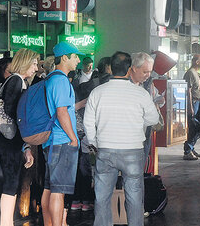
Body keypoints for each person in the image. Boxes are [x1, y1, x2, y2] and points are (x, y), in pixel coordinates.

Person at [84, 51, 160, 226]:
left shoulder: (98, 92)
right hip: (133, 150)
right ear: (129, 70)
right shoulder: (140, 94)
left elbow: (89, 121)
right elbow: (153, 119)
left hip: (105, 150)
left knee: (102, 197)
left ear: (111, 69)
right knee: (134, 197)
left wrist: (94, 142)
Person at [0, 48, 38, 226]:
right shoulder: (17, 81)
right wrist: (26, 144)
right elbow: (12, 112)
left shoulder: (15, 81)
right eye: (34, 63)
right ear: (26, 62)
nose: (36, 68)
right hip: (9, 141)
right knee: (10, 184)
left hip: (8, 141)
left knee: (11, 184)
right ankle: (6, 223)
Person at [41, 42, 82, 226]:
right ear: (64, 58)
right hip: (62, 141)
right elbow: (62, 111)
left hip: (51, 141)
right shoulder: (61, 80)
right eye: (75, 56)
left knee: (49, 189)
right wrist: (73, 138)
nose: (78, 60)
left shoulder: (51, 78)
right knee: (58, 190)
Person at [69, 57, 112, 212]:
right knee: (98, 169)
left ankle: (78, 199)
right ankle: (93, 201)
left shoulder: (84, 85)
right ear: (108, 68)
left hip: (82, 131)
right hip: (100, 133)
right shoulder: (108, 86)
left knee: (82, 167)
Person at [129, 52, 164, 164]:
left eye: (150, 71)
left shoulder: (148, 85)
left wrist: (159, 102)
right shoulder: (123, 85)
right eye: (145, 72)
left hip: (144, 136)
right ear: (134, 69)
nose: (148, 75)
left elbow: (158, 98)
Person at [183, 54, 200, 160]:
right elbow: (188, 91)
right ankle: (187, 151)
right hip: (194, 103)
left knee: (198, 128)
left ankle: (191, 148)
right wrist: (190, 106)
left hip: (199, 102)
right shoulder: (190, 73)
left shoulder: (196, 73)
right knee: (193, 127)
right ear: (197, 61)